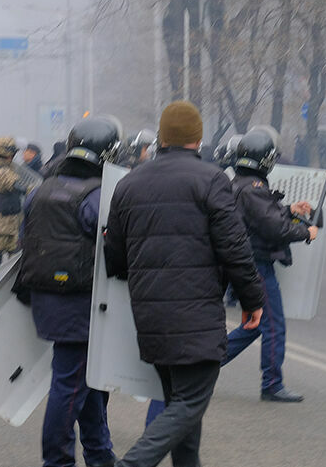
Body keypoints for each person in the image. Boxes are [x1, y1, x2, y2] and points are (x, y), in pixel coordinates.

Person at [104, 101, 267, 467]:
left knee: (184, 416)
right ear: (198, 138)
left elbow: (114, 257)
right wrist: (252, 299)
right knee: (189, 405)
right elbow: (235, 248)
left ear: (161, 138)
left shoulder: (129, 183)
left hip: (150, 317)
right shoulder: (211, 180)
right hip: (195, 316)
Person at [20, 118, 120, 467]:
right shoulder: (96, 197)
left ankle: (100, 455)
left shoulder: (39, 191)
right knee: (69, 387)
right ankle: (57, 462)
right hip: (84, 305)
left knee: (87, 383)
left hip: (47, 300)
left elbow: (25, 242)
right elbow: (116, 252)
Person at [215, 126, 316, 403]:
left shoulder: (238, 184)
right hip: (256, 265)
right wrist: (305, 232)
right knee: (273, 324)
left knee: (253, 325)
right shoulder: (254, 188)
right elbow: (273, 228)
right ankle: (272, 383)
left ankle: (205, 365)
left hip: (243, 263)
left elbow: (260, 217)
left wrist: (288, 209)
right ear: (265, 160)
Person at [0, 137, 28, 286]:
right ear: (9, 154)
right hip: (5, 224)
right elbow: (20, 187)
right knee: (6, 259)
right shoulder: (4, 172)